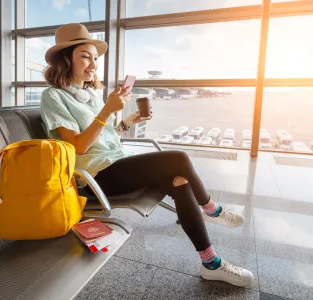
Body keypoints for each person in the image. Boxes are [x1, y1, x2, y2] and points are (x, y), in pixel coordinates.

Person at [40, 23, 254, 287]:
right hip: (95, 178)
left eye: (95, 58)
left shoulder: (91, 96)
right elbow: (78, 147)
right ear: (65, 59)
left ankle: (210, 263)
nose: (93, 64)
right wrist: (106, 111)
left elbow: (105, 138)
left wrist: (126, 122)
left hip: (115, 163)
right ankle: (211, 208)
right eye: (85, 56)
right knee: (178, 159)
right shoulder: (53, 97)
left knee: (180, 180)